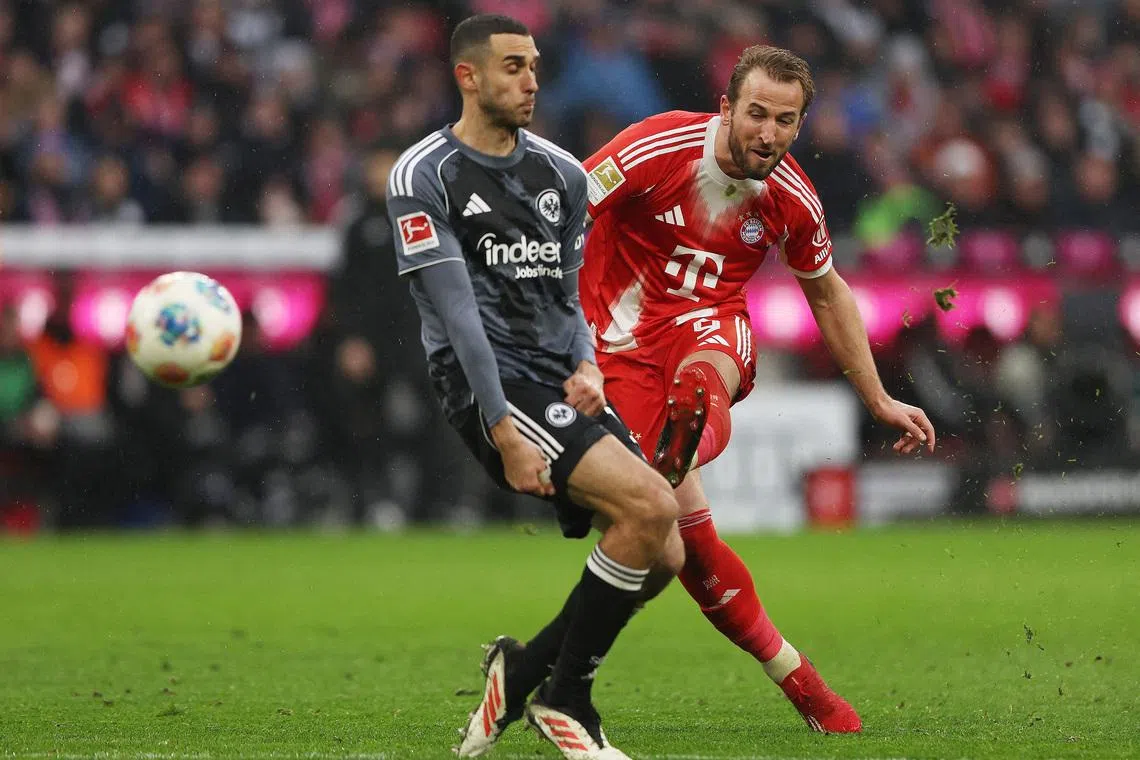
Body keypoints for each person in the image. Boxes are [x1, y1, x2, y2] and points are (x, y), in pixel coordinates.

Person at [577, 46, 938, 733]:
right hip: (616, 353)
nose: (767, 133)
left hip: (709, 332)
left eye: (785, 120)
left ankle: (685, 441)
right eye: (757, 115)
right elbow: (561, 214)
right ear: (727, 109)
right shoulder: (655, 147)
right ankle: (800, 683)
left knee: (708, 373)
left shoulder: (792, 196)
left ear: (799, 125)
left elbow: (828, 295)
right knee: (681, 548)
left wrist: (879, 398)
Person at [385, 15, 682, 760]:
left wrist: (590, 364)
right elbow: (458, 320)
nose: (531, 82)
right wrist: (502, 429)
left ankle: (521, 673)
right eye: (513, 67)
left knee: (666, 553)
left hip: (561, 376)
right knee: (649, 505)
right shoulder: (423, 176)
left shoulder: (562, 175)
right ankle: (567, 703)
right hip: (489, 379)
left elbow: (569, 295)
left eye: (535, 66)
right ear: (468, 76)